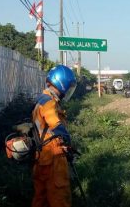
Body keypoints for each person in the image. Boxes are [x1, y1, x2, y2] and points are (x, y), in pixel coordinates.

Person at [32, 65, 77, 207]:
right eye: (67, 87)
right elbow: (56, 125)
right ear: (61, 83)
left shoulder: (42, 99)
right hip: (53, 159)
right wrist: (68, 142)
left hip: (41, 157)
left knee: (41, 199)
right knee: (60, 198)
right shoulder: (49, 103)